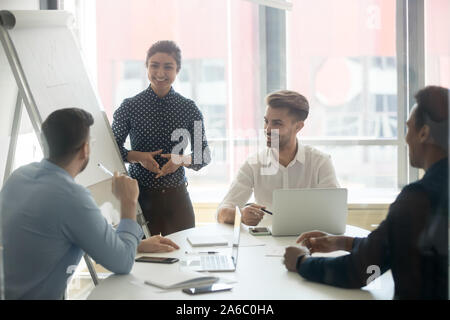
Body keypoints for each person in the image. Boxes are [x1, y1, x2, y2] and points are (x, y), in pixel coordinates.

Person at [284, 85, 449, 300]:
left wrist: (301, 262)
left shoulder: (418, 198)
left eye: (408, 129)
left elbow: (357, 271)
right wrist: (342, 242)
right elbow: (392, 246)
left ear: (424, 133)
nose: (406, 139)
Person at [0, 108, 179, 300]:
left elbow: (57, 237)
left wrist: (134, 244)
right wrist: (128, 203)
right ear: (85, 149)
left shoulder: (19, 176)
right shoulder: (72, 198)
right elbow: (122, 264)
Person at [112, 40, 210, 236]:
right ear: (146, 67)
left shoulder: (189, 108)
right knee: (142, 259)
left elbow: (204, 155)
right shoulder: (129, 107)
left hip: (178, 199)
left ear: (178, 70)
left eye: (168, 67)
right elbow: (111, 150)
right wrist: (138, 156)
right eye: (154, 65)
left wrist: (180, 160)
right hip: (139, 199)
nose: (160, 73)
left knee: (184, 258)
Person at [217, 90, 339, 226]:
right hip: (264, 244)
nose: (268, 129)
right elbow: (221, 213)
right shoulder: (254, 164)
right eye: (266, 121)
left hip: (308, 242)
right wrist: (241, 216)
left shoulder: (320, 162)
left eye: (277, 123)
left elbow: (334, 213)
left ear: (298, 126)